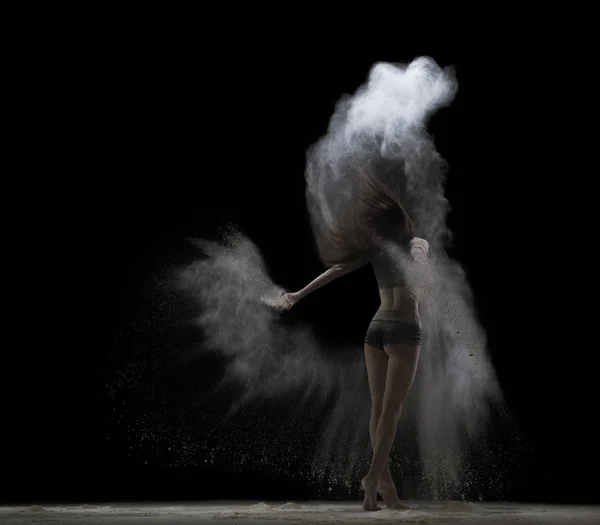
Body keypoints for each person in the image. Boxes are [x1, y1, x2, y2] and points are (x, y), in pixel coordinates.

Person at [273, 165, 430, 511]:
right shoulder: (416, 243)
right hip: (403, 330)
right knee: (392, 410)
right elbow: (418, 259)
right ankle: (372, 478)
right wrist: (418, 265)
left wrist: (297, 295)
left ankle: (387, 492)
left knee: (379, 410)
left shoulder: (376, 249)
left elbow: (336, 271)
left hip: (375, 330)